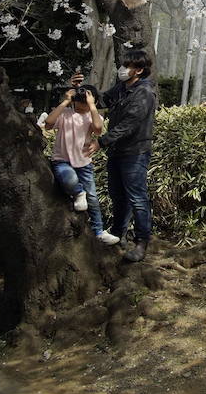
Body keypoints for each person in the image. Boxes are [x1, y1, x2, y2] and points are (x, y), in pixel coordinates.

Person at [98, 49, 158, 262]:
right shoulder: (122, 88)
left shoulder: (144, 93)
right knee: (117, 194)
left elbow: (130, 123)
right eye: (123, 65)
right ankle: (118, 233)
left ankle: (142, 242)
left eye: (128, 66)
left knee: (137, 198)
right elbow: (102, 100)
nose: (123, 69)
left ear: (139, 70)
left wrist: (102, 141)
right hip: (117, 151)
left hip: (135, 152)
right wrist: (81, 91)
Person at [44, 87, 121, 245]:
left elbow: (98, 130)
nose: (81, 102)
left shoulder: (92, 116)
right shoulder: (65, 114)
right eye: (78, 99)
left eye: (84, 100)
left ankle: (99, 231)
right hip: (62, 159)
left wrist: (93, 106)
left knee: (92, 198)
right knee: (69, 179)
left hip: (84, 163)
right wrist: (65, 101)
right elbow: (48, 124)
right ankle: (79, 193)